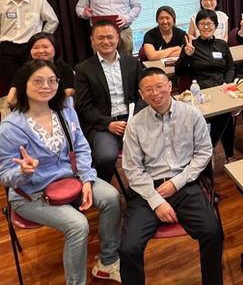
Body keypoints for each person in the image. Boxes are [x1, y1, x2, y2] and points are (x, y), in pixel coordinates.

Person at [0, 60, 121, 284]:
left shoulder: (65, 111)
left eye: (52, 80)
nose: (46, 85)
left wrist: (86, 179)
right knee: (78, 225)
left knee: (112, 197)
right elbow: (5, 176)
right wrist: (23, 171)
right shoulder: (9, 127)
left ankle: (108, 262)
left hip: (71, 180)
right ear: (22, 84)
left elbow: (82, 147)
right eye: (38, 80)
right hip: (31, 193)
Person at [120, 67, 222, 284]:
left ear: (170, 86)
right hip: (148, 189)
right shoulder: (136, 124)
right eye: (148, 89)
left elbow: (204, 152)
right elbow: (132, 168)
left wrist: (177, 183)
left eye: (160, 86)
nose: (155, 93)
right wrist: (157, 201)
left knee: (212, 232)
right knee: (129, 248)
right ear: (141, 94)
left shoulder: (191, 114)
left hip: (184, 183)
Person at [75, 19, 145, 183]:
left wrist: (135, 119)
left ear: (118, 37)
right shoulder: (84, 69)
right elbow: (84, 106)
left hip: (134, 121)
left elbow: (143, 95)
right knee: (105, 157)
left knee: (155, 150)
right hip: (104, 125)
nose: (106, 41)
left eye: (110, 37)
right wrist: (108, 124)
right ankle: (103, 187)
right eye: (100, 38)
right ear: (92, 40)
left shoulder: (132, 62)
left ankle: (145, 187)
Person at [176, 9, 236, 161]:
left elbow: (230, 67)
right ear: (197, 26)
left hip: (222, 89)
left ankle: (208, 147)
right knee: (225, 114)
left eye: (210, 23)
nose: (206, 27)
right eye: (202, 24)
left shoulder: (222, 45)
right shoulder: (191, 45)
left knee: (226, 110)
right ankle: (226, 154)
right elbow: (178, 71)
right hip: (201, 91)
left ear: (215, 26)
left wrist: (227, 84)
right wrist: (187, 56)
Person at [0, 0, 59, 90]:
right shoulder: (1, 3)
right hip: (7, 47)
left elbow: (53, 20)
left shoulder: (38, 0)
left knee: (34, 80)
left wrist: (41, 39)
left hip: (30, 47)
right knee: (15, 83)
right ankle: (19, 108)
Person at [7, 32, 75, 107]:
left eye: (45, 47)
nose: (41, 51)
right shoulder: (23, 71)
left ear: (55, 48)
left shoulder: (65, 69)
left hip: (59, 107)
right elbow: (11, 99)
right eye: (36, 48)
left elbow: (69, 92)